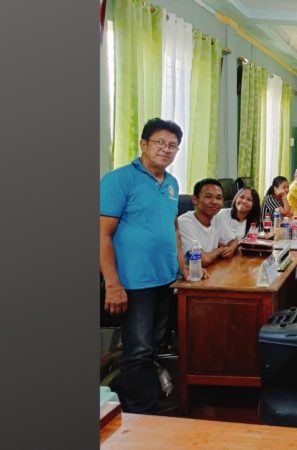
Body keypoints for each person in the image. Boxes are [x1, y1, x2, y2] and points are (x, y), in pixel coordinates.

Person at [100, 118, 195, 414]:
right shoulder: (119, 179)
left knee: (153, 346)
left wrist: (184, 269)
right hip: (133, 282)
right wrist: (113, 284)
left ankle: (145, 403)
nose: (166, 150)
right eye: (159, 143)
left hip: (165, 280)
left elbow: (174, 231)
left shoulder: (171, 183)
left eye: (172, 146)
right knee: (138, 351)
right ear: (143, 144)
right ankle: (144, 414)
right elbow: (102, 234)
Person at [178, 179, 238, 267]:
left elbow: (234, 240)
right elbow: (202, 260)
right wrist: (218, 251)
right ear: (195, 200)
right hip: (188, 276)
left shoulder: (217, 217)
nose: (214, 202)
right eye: (208, 197)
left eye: (218, 198)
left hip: (209, 271)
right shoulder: (185, 222)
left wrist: (230, 249)